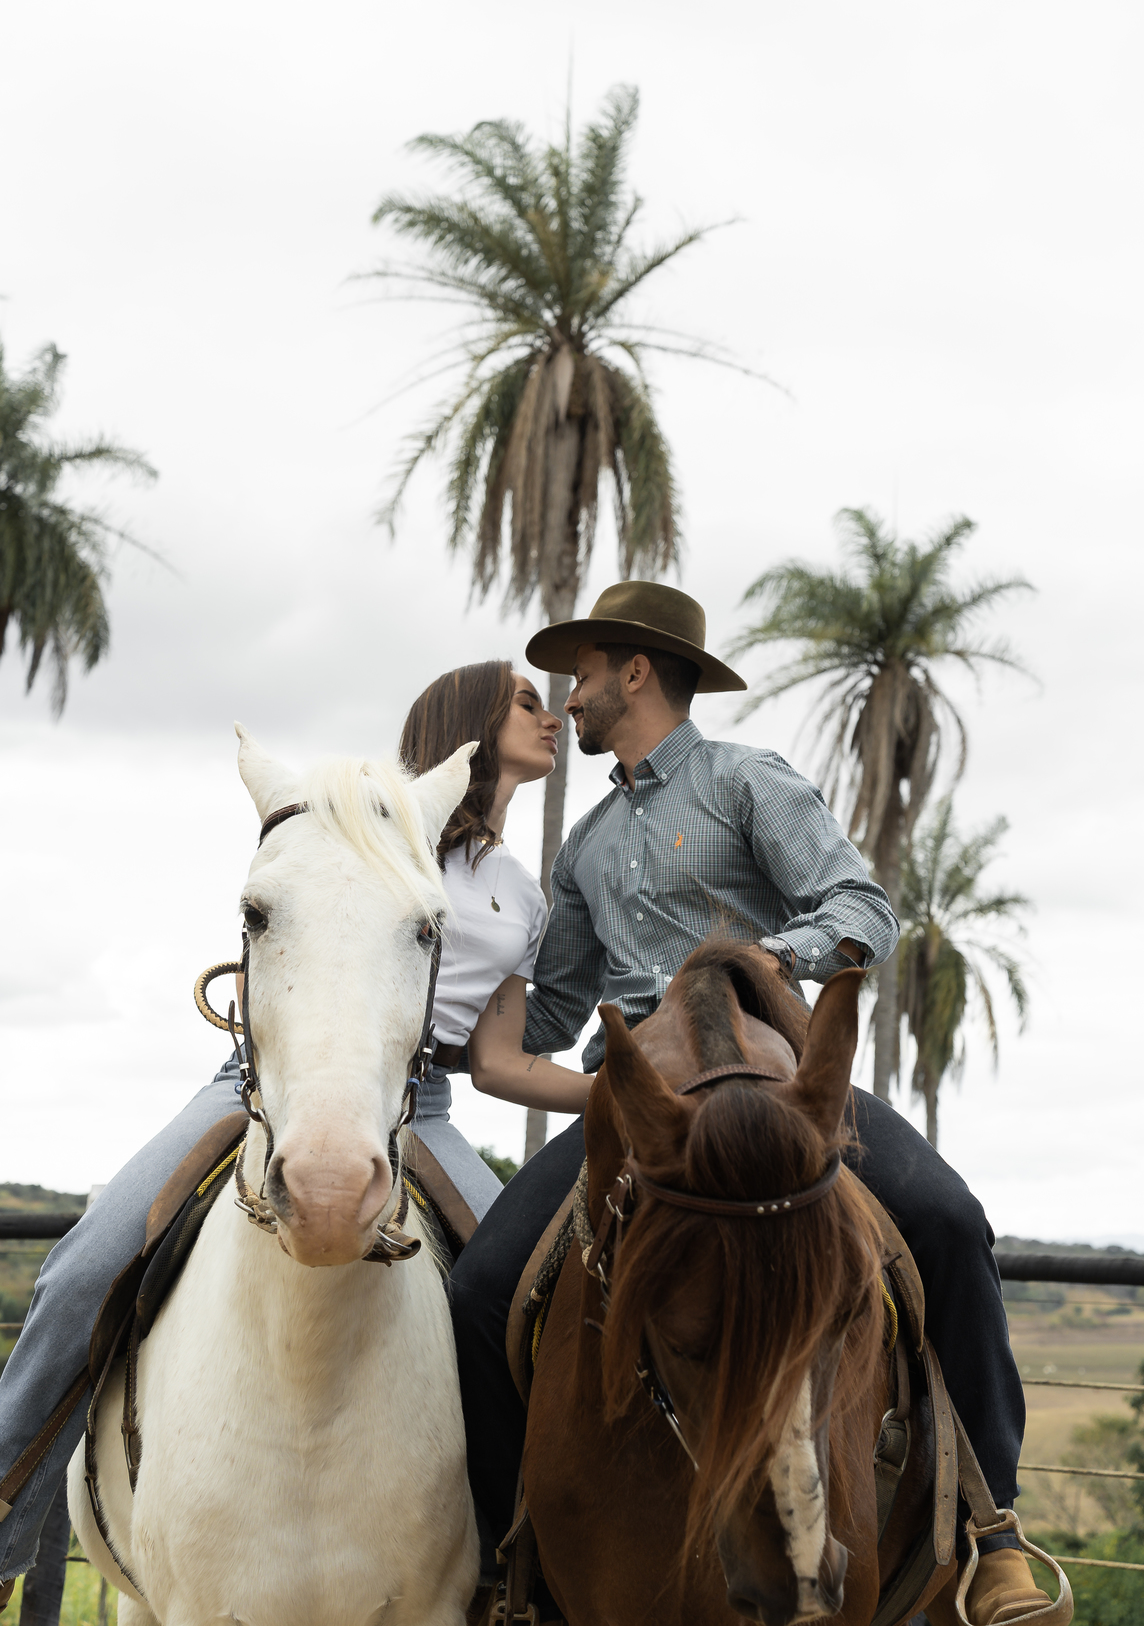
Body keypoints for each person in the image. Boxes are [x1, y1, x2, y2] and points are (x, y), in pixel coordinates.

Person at [450, 581, 1048, 1626]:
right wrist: (428, 997)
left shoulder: (746, 784)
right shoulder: (585, 845)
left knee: (950, 1225)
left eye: (579, 674)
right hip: (641, 1115)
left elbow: (864, 907)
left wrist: (776, 955)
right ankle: (509, 1572)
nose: (569, 696)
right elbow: (550, 1016)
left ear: (635, 672)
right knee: (482, 1294)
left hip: (778, 1088)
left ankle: (995, 1534)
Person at [0, 661, 579, 1606]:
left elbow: (500, 1061)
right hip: (261, 1084)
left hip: (423, 1106)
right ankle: (1, 1524)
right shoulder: (354, 831)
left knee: (539, 1302)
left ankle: (531, 1564)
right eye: (525, 700)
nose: (551, 717)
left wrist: (616, 1093)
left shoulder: (522, 892)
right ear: (471, 724)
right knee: (84, 1263)